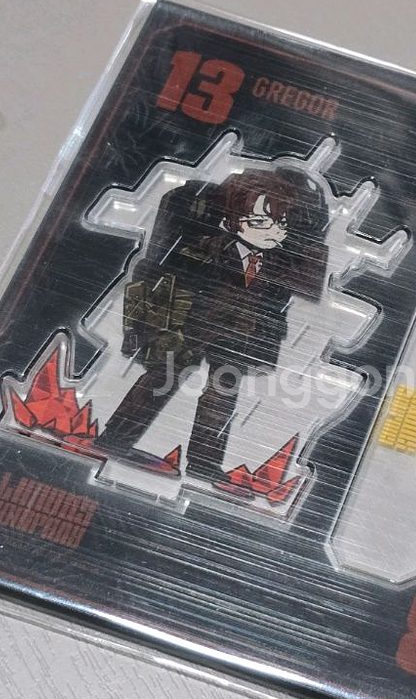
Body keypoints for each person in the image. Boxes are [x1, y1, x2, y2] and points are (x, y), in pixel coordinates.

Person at [95, 166, 329, 480]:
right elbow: (161, 276)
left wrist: (265, 337)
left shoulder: (276, 262)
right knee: (162, 378)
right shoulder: (206, 248)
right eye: (259, 222)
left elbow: (295, 290)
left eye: (281, 224)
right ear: (230, 221)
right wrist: (144, 326)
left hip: (239, 331)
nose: (273, 231)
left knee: (222, 393)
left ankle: (204, 463)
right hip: (193, 323)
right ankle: (115, 439)